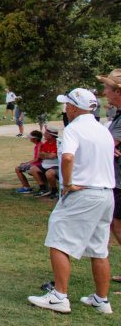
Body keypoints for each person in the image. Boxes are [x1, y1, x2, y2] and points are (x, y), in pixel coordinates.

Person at [27, 88, 115, 314]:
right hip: (106, 194)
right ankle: (101, 300)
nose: (65, 108)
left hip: (82, 192)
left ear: (75, 107)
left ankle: (59, 296)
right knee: (99, 248)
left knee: (58, 240)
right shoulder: (103, 130)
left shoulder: (74, 129)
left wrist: (67, 183)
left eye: (67, 104)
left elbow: (67, 157)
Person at [96, 69, 121, 283]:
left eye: (107, 88)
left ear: (118, 92)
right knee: (115, 224)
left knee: (118, 225)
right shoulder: (117, 115)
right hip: (115, 178)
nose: (104, 91)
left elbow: (109, 146)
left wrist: (106, 147)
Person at [30, 126, 60, 199]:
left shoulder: (57, 144)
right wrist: (48, 155)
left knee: (49, 173)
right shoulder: (46, 143)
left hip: (56, 165)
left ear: (51, 135)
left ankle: (54, 190)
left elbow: (53, 156)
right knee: (33, 169)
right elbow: (40, 155)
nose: (44, 134)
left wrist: (46, 155)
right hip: (45, 164)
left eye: (46, 133)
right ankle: (43, 188)